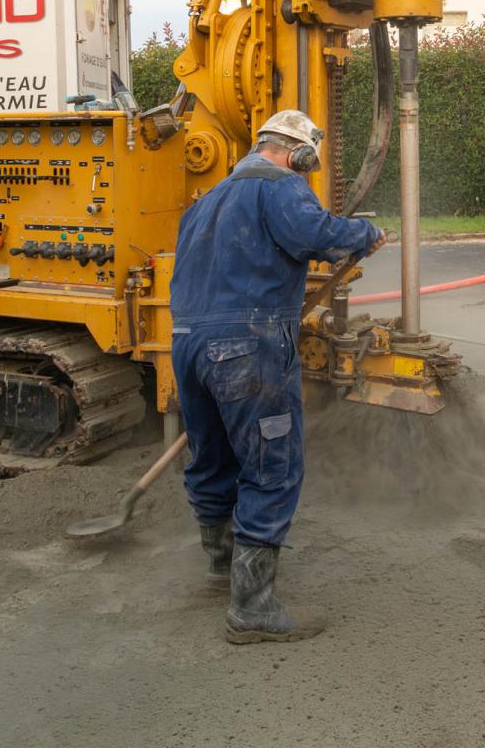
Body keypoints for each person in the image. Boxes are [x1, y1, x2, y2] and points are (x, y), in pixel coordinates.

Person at [169, 109, 384, 644]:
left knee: (211, 458)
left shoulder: (206, 202)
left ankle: (222, 570)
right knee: (271, 466)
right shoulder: (280, 185)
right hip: (249, 344)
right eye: (307, 163)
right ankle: (253, 609)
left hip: (189, 344)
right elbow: (317, 234)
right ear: (299, 153)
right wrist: (365, 233)